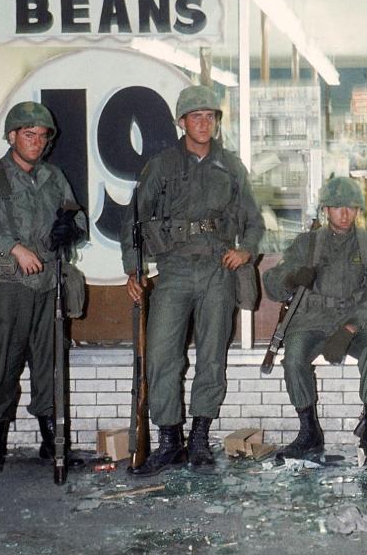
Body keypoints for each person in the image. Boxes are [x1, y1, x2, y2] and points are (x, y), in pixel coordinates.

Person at [122, 85, 264, 476]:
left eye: (210, 116)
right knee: (162, 356)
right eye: (195, 117)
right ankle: (169, 440)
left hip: (218, 271)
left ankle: (199, 437)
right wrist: (132, 269)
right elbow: (133, 220)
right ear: (181, 122)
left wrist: (246, 249)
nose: (204, 123)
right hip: (173, 271)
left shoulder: (231, 166)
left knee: (212, 357)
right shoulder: (161, 165)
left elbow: (253, 220)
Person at [0, 101, 84, 482]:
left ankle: (52, 441)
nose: (37, 142)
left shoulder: (53, 176)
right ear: (12, 136)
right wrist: (13, 246)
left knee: (50, 365)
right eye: (29, 135)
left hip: (48, 286)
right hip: (9, 287)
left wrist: (71, 229)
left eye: (42, 136)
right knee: (5, 368)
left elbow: (74, 216)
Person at [263, 176, 367, 469]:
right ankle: (309, 432)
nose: (344, 213)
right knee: (294, 355)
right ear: (326, 210)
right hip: (312, 321)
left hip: (353, 321)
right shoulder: (306, 244)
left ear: (358, 210)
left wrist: (350, 327)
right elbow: (273, 284)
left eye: (350, 207)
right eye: (337, 206)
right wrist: (291, 278)